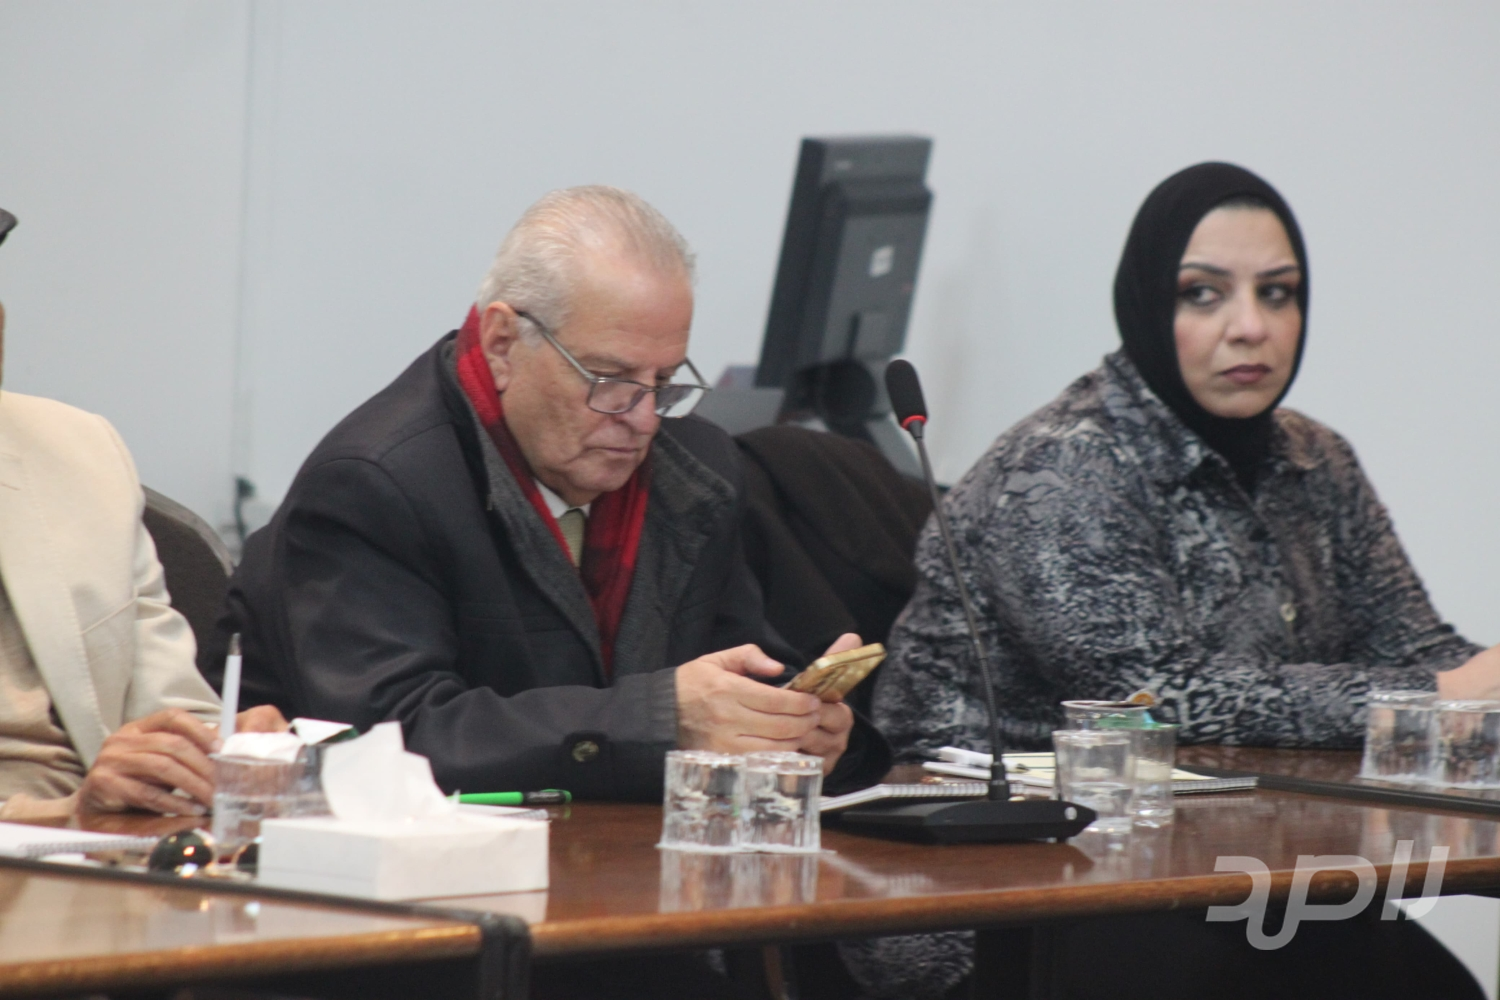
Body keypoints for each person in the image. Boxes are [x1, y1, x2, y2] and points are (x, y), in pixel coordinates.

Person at [849, 164, 1491, 999]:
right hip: (997, 894)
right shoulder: (1062, 469)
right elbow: (1155, 699)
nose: (1250, 327)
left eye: (1278, 293)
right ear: (1148, 304)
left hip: (1223, 870)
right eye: (1203, 294)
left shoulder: (1316, 459)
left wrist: (1476, 687)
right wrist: (1436, 695)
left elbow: (1418, 647)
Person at [224, 186, 888, 803]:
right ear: (502, 344)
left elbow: (733, 665)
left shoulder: (696, 470)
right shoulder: (376, 484)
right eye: (609, 378)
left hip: (618, 857)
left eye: (663, 381)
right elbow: (385, 739)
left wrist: (798, 727)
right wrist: (658, 718)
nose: (644, 418)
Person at [0, 209, 283, 822]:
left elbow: (172, 713)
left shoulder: (83, 456)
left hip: (110, 854)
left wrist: (223, 753)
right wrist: (68, 813)